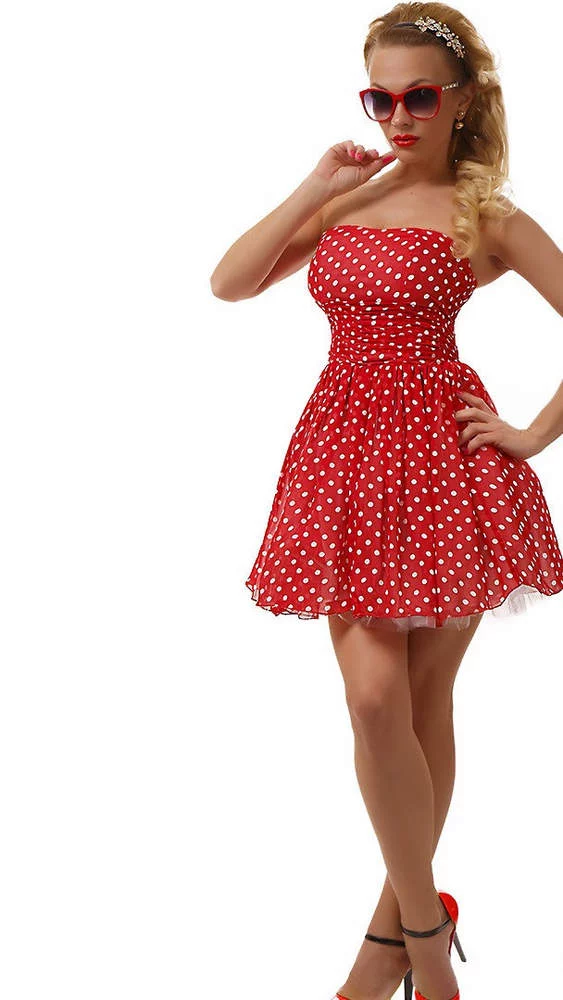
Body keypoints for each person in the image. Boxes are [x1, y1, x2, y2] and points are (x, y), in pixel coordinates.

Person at [210, 5, 563, 1000]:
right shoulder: (347, 198)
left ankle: (389, 950)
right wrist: (317, 185)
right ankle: (423, 937)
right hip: (343, 461)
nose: (397, 117)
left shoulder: (483, 213)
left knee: (417, 700)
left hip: (446, 468)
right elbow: (229, 282)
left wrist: (534, 432)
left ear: (461, 102)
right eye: (379, 97)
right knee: (374, 700)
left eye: (418, 98)